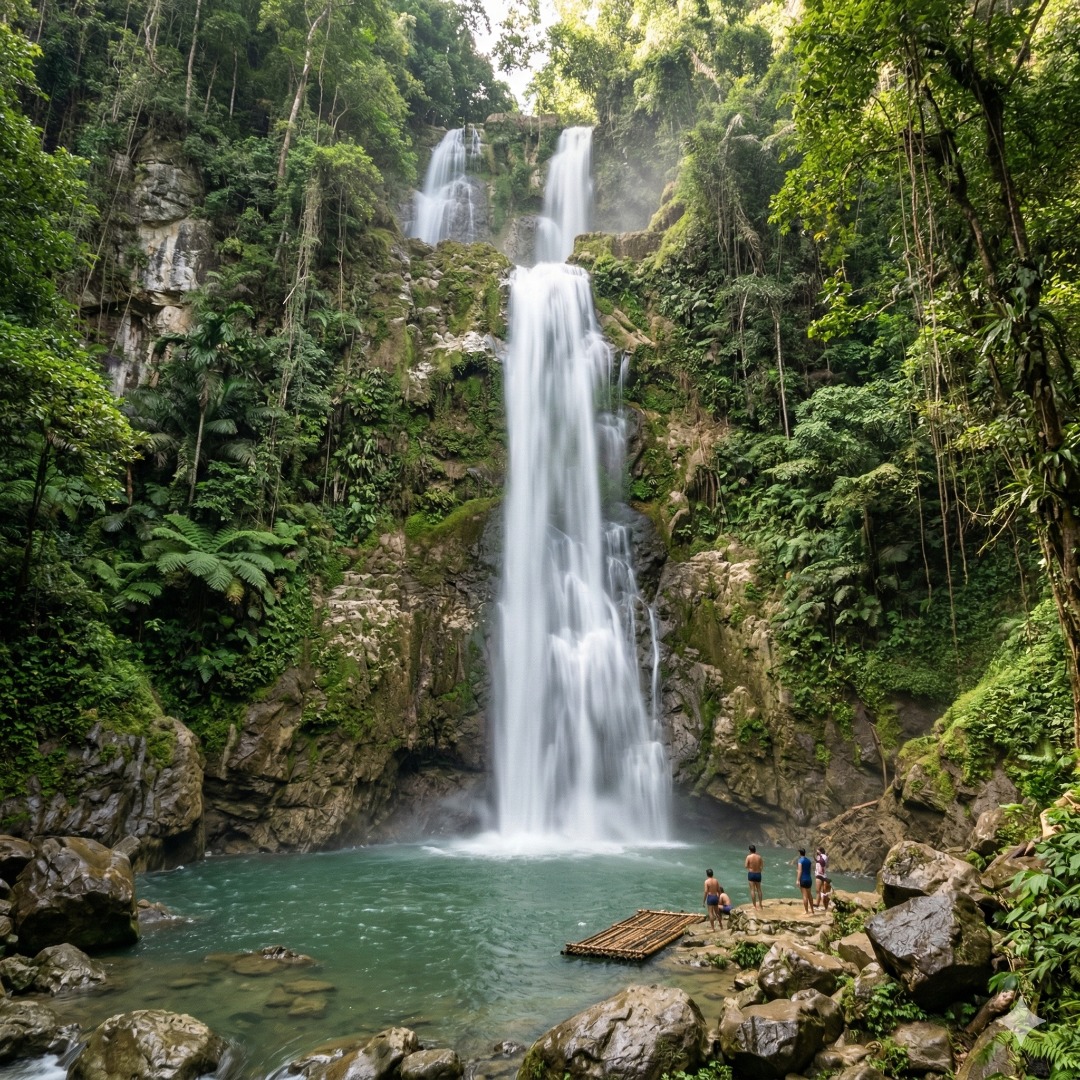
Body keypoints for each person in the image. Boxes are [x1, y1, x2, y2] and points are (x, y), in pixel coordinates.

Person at [796, 847, 815, 914]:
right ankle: (812, 910)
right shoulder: (808, 861)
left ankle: (806, 911)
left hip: (803, 879)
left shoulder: (800, 861)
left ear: (800, 853)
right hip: (809, 879)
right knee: (810, 895)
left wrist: (798, 880)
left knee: (804, 896)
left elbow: (800, 871)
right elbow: (809, 871)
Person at [745, 845, 764, 910]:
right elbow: (762, 865)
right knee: (759, 889)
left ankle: (754, 906)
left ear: (750, 850)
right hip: (758, 874)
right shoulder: (759, 857)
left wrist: (750, 868)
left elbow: (745, 865)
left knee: (752, 890)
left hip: (751, 874)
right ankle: (760, 904)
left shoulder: (748, 857)